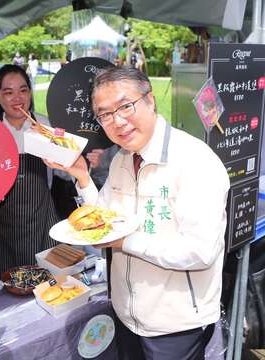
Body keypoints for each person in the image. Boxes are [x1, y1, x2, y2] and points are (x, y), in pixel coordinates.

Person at [45, 66, 230, 360]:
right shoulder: (121, 159)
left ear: (150, 100)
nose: (117, 121)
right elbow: (104, 220)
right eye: (105, 114)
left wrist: (123, 243)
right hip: (126, 315)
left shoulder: (195, 161)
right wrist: (82, 176)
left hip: (174, 326)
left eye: (125, 106)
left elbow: (200, 252)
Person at [0, 64, 58, 281]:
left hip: (42, 220)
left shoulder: (45, 127)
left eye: (23, 90)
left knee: (46, 282)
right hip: (0, 228)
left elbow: (65, 173)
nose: (17, 98)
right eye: (8, 92)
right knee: (8, 287)